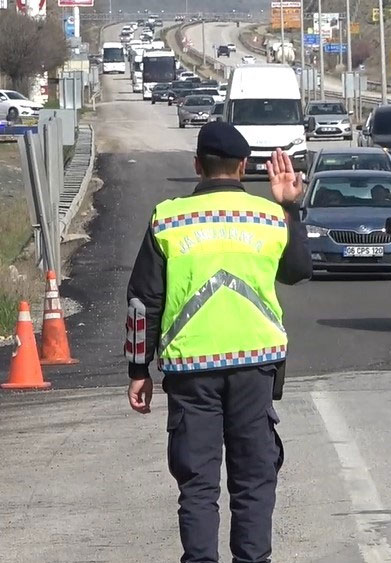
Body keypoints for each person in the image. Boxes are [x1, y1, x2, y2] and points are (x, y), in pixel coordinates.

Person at [124, 121, 311, 563]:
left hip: (190, 373)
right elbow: (299, 270)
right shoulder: (268, 217)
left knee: (198, 484)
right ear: (244, 166)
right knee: (254, 480)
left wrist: (138, 370)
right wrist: (290, 208)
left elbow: (143, 302)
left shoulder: (168, 218)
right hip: (255, 369)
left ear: (197, 166)